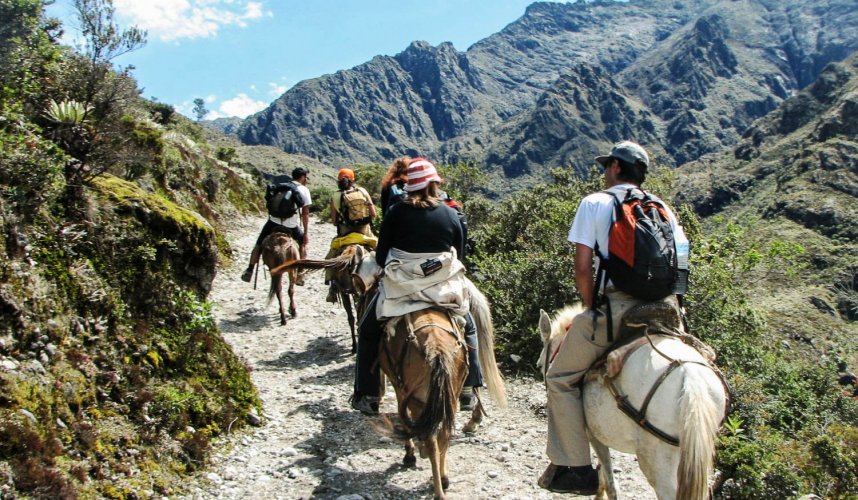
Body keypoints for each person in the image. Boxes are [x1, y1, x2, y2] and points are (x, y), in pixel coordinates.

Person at [541, 141, 685, 494]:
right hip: (667, 311)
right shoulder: (663, 208)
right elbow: (681, 267)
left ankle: (574, 468)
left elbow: (581, 267)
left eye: (607, 166)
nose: (604, 172)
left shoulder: (595, 203)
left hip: (616, 309)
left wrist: (591, 308)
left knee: (559, 377)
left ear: (618, 168)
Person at [350, 157, 483, 415]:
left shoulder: (396, 212)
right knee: (469, 326)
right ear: (434, 184)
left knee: (367, 330)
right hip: (443, 289)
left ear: (411, 186)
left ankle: (368, 394)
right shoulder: (451, 213)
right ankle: (469, 388)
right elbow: (461, 257)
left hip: (402, 287)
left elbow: (380, 257)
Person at [241, 167, 312, 284]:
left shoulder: (281, 186)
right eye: (306, 178)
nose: (306, 180)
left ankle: (249, 270)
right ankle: (300, 272)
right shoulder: (304, 190)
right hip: (291, 225)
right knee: (303, 243)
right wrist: (305, 232)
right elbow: (305, 212)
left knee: (258, 244)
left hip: (273, 222)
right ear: (303, 177)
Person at [325, 168, 377, 301]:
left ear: (338, 180)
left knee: (330, 258)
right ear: (353, 180)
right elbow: (373, 214)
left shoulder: (335, 196)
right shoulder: (363, 191)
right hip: (365, 235)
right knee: (381, 255)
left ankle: (332, 287)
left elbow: (334, 221)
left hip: (345, 236)